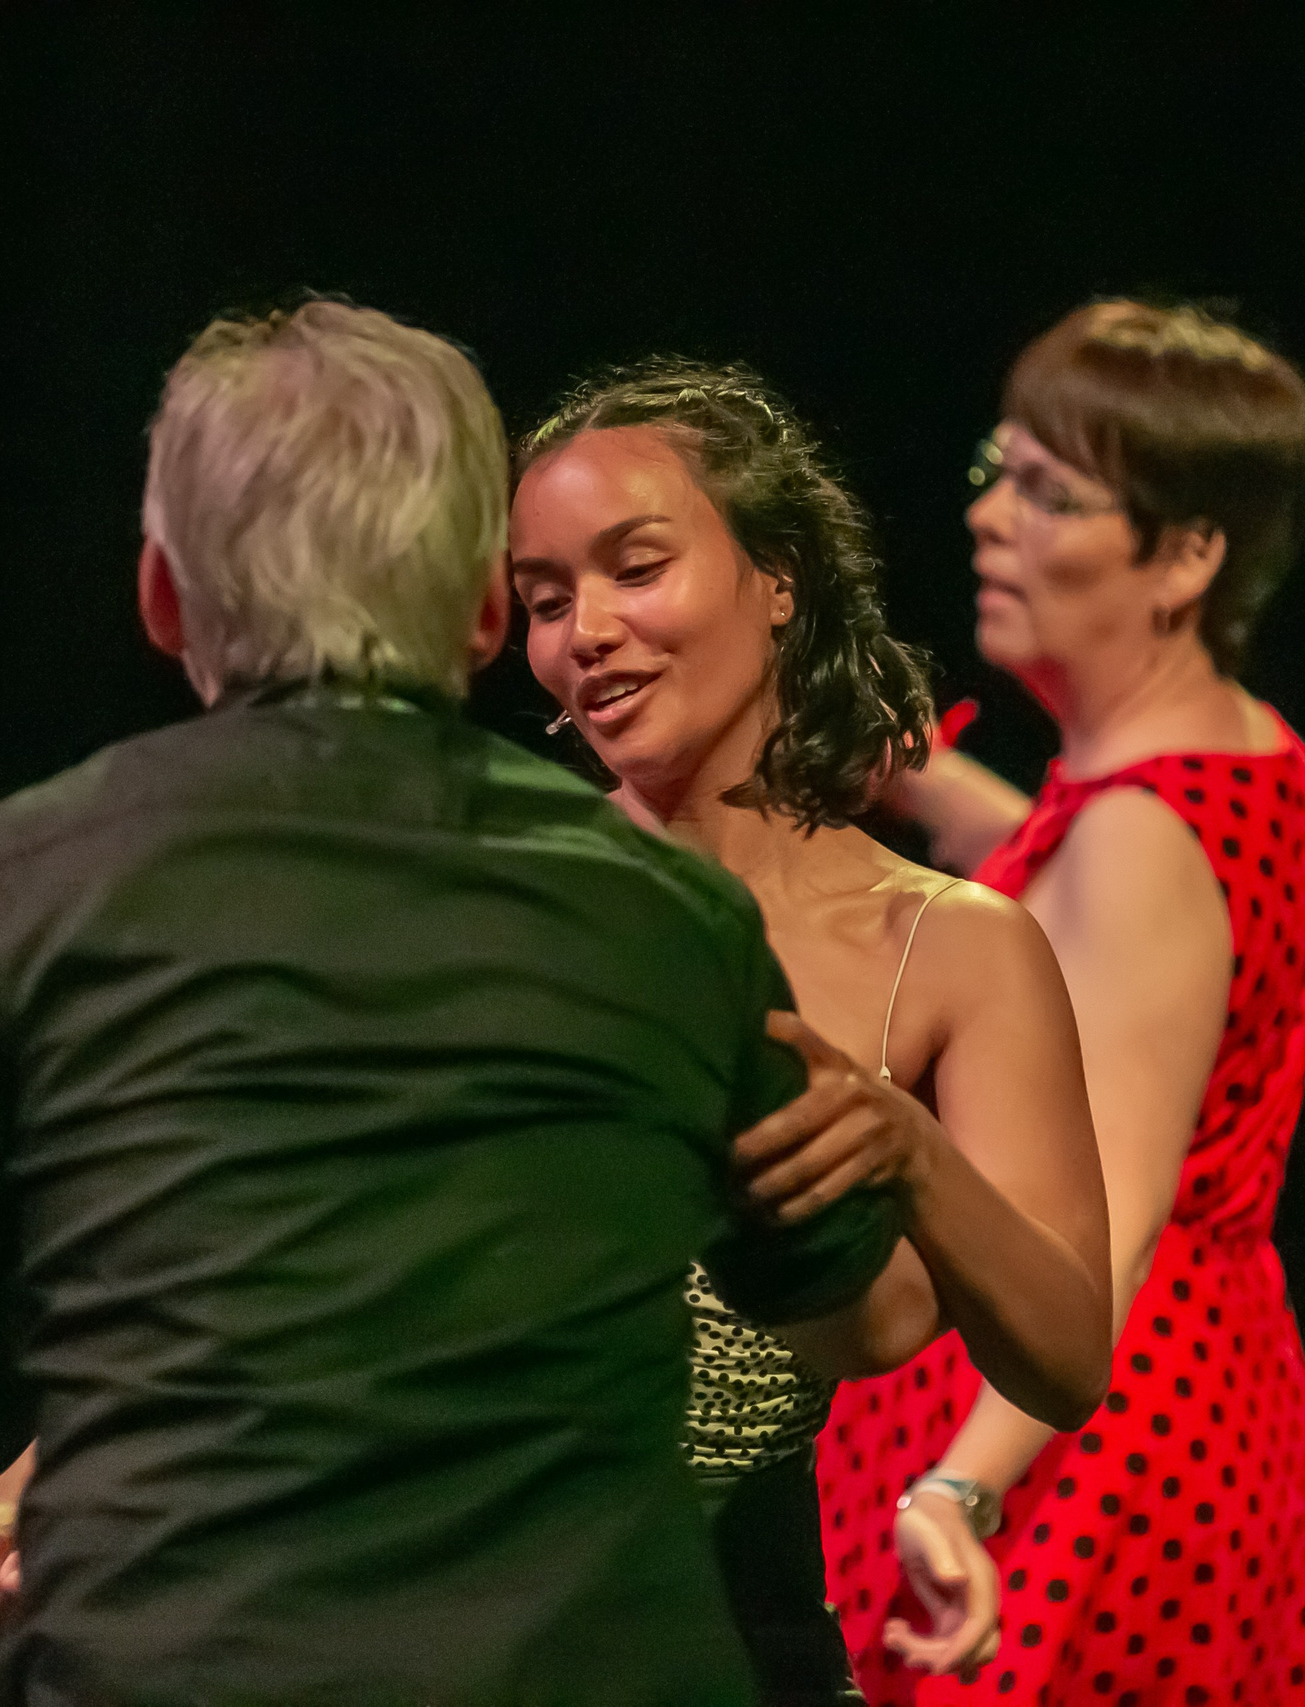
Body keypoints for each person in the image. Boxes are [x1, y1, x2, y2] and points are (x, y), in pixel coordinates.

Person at [0, 300, 956, 1707]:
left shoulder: (15, 889)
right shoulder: (665, 916)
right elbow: (865, 1320)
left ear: (161, 597)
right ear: (490, 612)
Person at [507, 360, 1117, 1700]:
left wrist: (910, 1153)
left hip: (736, 1643)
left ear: (777, 576)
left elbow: (1069, 1355)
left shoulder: (951, 947)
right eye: (545, 602)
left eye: (635, 569)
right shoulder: (501, 896)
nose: (585, 632)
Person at [816, 299, 1305, 1704]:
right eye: (1002, 469)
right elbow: (1088, 927)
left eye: (1051, 496)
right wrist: (932, 787)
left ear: (1186, 556)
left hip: (1082, 1456)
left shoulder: (1140, 842)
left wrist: (959, 1493)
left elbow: (1100, 1225)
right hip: (1192, 1398)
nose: (990, 517)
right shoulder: (1234, 759)